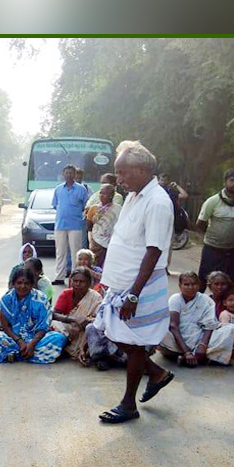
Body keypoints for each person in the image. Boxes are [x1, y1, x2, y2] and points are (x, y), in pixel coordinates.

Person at [92, 141, 174, 424]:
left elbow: (154, 251)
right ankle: (156, 373)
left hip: (139, 285)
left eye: (123, 173)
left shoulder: (158, 202)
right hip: (121, 283)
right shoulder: (133, 195)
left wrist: (134, 294)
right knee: (113, 333)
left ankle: (128, 404)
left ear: (141, 170)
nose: (119, 180)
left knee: (132, 340)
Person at [0, 267, 67, 364]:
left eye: (26, 283)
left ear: (32, 284)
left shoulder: (41, 299)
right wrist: (20, 341)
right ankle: (29, 355)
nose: (23, 286)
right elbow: (6, 326)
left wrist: (32, 344)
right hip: (14, 339)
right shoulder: (7, 299)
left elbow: (44, 326)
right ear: (13, 284)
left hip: (37, 339)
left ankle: (17, 355)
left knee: (59, 338)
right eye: (19, 283)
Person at [159, 272, 234, 367]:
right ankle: (200, 357)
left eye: (193, 284)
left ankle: (193, 357)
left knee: (231, 329)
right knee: (159, 329)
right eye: (186, 284)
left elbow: (209, 325)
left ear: (199, 286)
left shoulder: (206, 300)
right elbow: (173, 326)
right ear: (180, 286)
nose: (190, 287)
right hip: (178, 340)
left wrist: (202, 345)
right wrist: (186, 351)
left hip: (200, 338)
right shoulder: (175, 299)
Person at [196, 168, 234, 291]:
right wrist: (214, 235)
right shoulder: (213, 201)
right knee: (204, 279)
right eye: (232, 180)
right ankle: (197, 306)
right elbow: (200, 223)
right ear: (225, 182)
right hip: (212, 249)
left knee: (230, 282)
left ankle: (225, 308)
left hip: (232, 250)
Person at [52, 266, 103, 364]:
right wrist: (74, 319)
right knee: (54, 325)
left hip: (84, 329)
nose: (77, 284)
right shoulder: (66, 294)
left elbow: (99, 319)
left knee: (93, 330)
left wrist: (83, 322)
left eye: (81, 281)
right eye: (75, 281)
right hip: (68, 327)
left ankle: (83, 351)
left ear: (89, 283)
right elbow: (54, 315)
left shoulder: (95, 297)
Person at [52, 165, 89, 285]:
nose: (69, 175)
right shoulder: (58, 189)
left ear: (75, 175)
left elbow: (85, 206)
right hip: (60, 224)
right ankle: (59, 277)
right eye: (66, 173)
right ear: (63, 174)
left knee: (75, 252)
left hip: (76, 225)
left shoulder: (81, 189)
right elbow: (55, 205)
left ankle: (75, 277)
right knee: (60, 252)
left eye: (71, 173)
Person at [86, 184, 122, 267]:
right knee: (95, 264)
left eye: (105, 194)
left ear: (111, 195)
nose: (101, 196)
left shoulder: (118, 209)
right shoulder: (94, 208)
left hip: (113, 242)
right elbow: (89, 226)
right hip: (96, 242)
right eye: (100, 193)